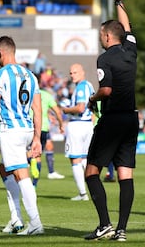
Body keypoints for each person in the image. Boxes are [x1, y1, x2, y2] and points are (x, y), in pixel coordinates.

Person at [0, 35, 44, 235]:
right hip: (28, 130)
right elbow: (37, 109)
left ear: (0, 53)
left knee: (21, 174)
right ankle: (16, 220)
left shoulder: (0, 75)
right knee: (5, 169)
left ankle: (36, 223)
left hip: (11, 130)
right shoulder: (31, 75)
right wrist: (37, 138)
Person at [84, 0, 138, 241]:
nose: (100, 38)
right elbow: (127, 28)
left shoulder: (104, 59)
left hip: (113, 118)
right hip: (131, 118)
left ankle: (104, 223)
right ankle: (122, 230)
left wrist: (91, 99)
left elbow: (105, 90)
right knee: (125, 173)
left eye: (101, 35)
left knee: (91, 171)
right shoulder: (131, 50)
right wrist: (119, 0)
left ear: (107, 37)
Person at [61, 63, 94, 201]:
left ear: (82, 72)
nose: (72, 75)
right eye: (70, 73)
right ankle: (93, 189)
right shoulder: (90, 86)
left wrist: (65, 109)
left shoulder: (81, 87)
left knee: (75, 159)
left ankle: (83, 194)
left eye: (75, 72)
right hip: (88, 125)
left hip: (77, 125)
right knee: (85, 158)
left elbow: (80, 108)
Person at [30, 74, 65, 187]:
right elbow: (57, 111)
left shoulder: (24, 94)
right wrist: (60, 124)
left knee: (27, 154)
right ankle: (34, 185)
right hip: (43, 128)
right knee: (38, 154)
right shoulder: (46, 95)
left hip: (28, 127)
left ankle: (30, 162)